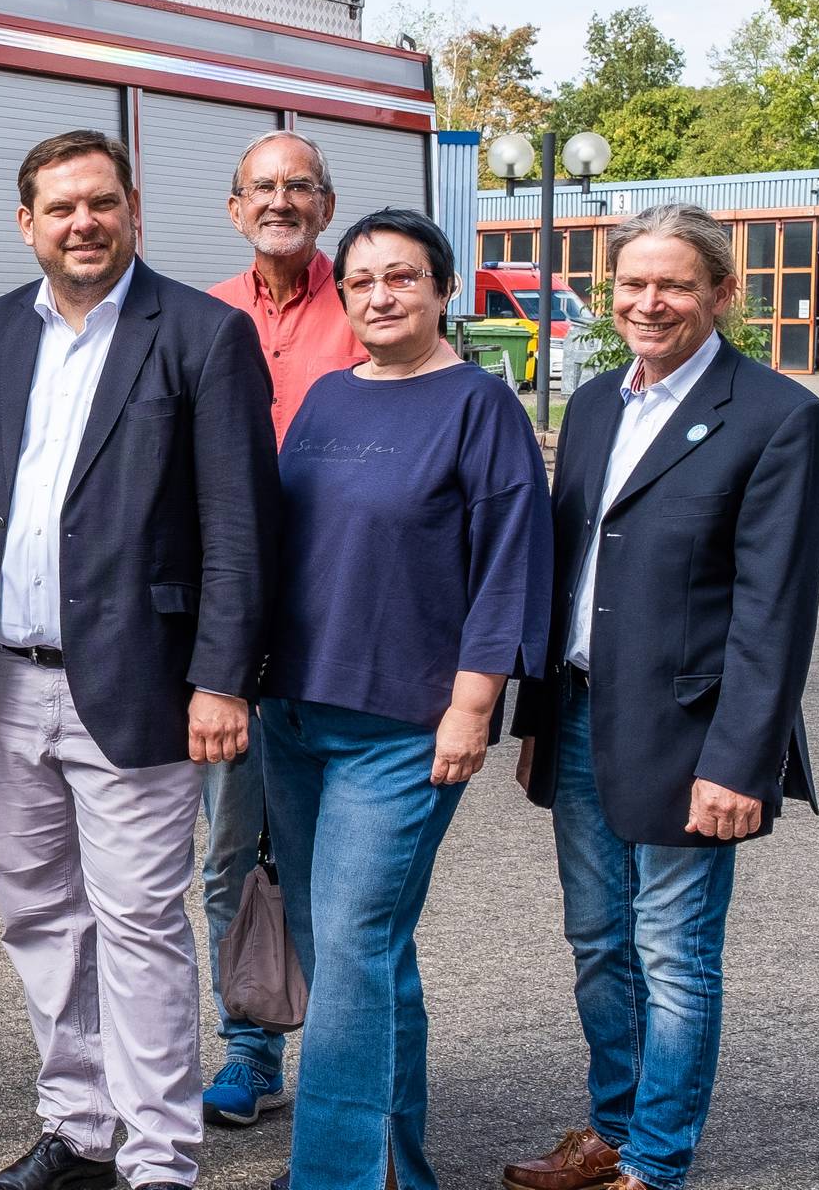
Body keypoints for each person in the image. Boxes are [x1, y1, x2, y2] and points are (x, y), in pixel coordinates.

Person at [0, 130, 277, 1190]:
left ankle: (159, 1157)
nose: (82, 222)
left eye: (100, 203)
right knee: (38, 916)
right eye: (59, 207)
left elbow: (238, 526)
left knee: (138, 923)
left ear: (131, 210)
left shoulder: (202, 336)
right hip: (1, 682)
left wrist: (220, 678)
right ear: (24, 222)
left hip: (139, 684)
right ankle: (78, 1131)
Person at [502, 202, 819, 1190]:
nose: (649, 301)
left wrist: (741, 759)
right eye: (631, 283)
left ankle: (653, 1162)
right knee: (598, 941)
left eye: (673, 284)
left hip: (692, 733)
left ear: (719, 292)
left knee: (672, 954)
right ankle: (607, 1131)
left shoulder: (776, 415)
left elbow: (773, 612)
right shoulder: (597, 402)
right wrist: (534, 718)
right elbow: (566, 569)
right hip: (578, 713)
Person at [256, 208, 551, 1190]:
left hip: (400, 725)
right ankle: (391, 1165)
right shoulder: (328, 400)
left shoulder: (479, 405)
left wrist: (472, 707)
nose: (378, 294)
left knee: (348, 949)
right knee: (355, 949)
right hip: (292, 713)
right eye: (360, 280)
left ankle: (334, 1176)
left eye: (400, 277)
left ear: (441, 290)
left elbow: (509, 566)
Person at [196, 130, 362, 1130]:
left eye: (297, 184)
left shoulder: (374, 300)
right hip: (229, 639)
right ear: (233, 207)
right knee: (226, 854)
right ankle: (249, 1048)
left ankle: (342, 1058)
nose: (279, 200)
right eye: (261, 185)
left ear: (324, 204)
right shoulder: (202, 314)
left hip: (341, 630)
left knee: (331, 862)